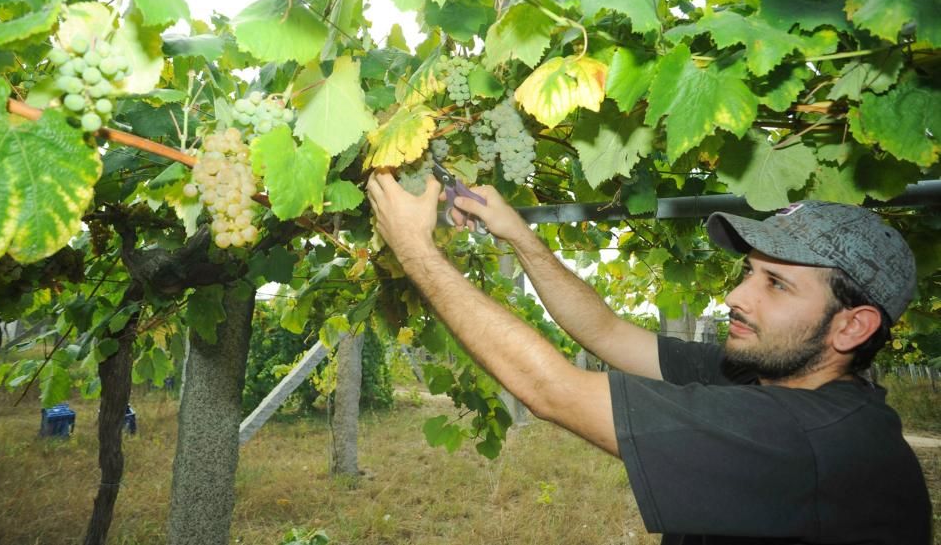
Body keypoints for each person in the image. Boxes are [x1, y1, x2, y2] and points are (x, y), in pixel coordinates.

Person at [366, 171, 932, 544]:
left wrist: (416, 251)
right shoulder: (762, 375)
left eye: (776, 284)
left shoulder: (816, 441)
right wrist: (517, 232)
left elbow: (552, 391)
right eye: (748, 273)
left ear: (852, 326)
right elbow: (606, 332)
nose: (736, 296)